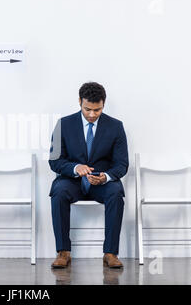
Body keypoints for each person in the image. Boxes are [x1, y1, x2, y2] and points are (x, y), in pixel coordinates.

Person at [48, 82, 128, 269]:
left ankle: (110, 252)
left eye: (97, 110)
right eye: (87, 109)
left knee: (116, 193)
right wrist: (75, 168)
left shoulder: (116, 127)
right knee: (58, 192)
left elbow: (122, 164)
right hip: (72, 181)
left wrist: (106, 177)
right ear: (79, 102)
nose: (92, 114)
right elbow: (54, 161)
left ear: (103, 104)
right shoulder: (63, 124)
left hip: (102, 182)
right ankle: (63, 251)